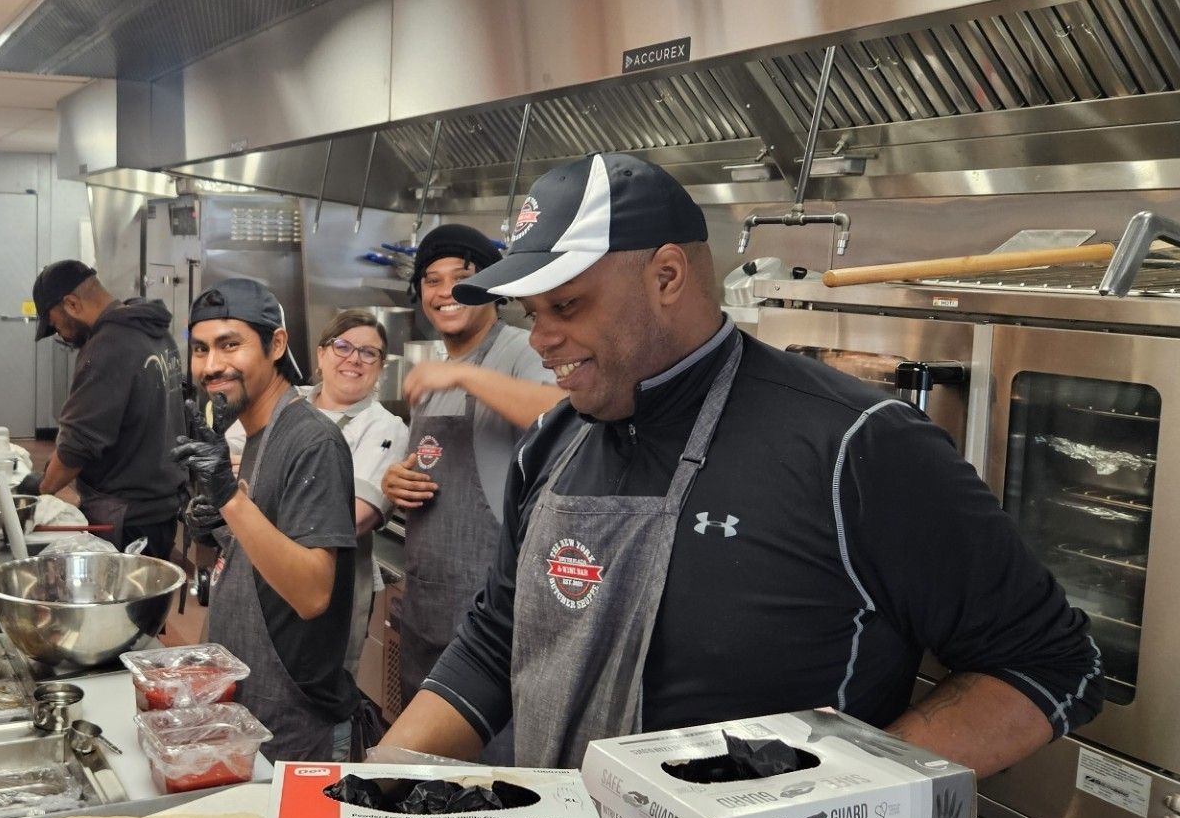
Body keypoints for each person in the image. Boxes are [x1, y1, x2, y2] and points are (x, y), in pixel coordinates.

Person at [384, 153, 1103, 774]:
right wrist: (361, 793)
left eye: (566, 306)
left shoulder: (855, 444)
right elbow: (495, 643)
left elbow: (1047, 665)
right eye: (531, 313)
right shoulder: (556, 443)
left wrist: (835, 806)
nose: (542, 340)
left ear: (667, 275)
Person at [379, 223, 563, 712]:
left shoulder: (522, 349)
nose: (446, 292)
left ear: (493, 288)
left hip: (492, 617)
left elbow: (567, 413)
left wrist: (464, 373)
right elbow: (437, 460)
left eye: (462, 276)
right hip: (428, 605)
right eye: (431, 280)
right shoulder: (436, 370)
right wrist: (397, 479)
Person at [175, 279, 358, 761]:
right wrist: (214, 528)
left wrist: (228, 499)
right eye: (200, 349)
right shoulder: (251, 435)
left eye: (230, 345)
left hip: (295, 725)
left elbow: (313, 593)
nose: (212, 365)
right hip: (247, 712)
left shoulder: (311, 441)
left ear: (276, 344)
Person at [226, 307, 410, 670]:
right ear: (322, 354)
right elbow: (226, 463)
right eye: (342, 346)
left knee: (309, 690)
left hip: (327, 588)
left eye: (368, 353)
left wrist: (253, 489)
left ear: (380, 367)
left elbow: (350, 518)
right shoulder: (284, 402)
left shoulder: (386, 429)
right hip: (247, 571)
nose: (354, 360)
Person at [29, 259, 187, 560]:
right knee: (145, 602)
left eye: (54, 324)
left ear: (72, 304)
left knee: (119, 605)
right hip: (160, 507)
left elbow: (79, 443)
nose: (60, 334)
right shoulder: (155, 332)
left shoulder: (107, 346)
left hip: (125, 515)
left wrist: (40, 491)